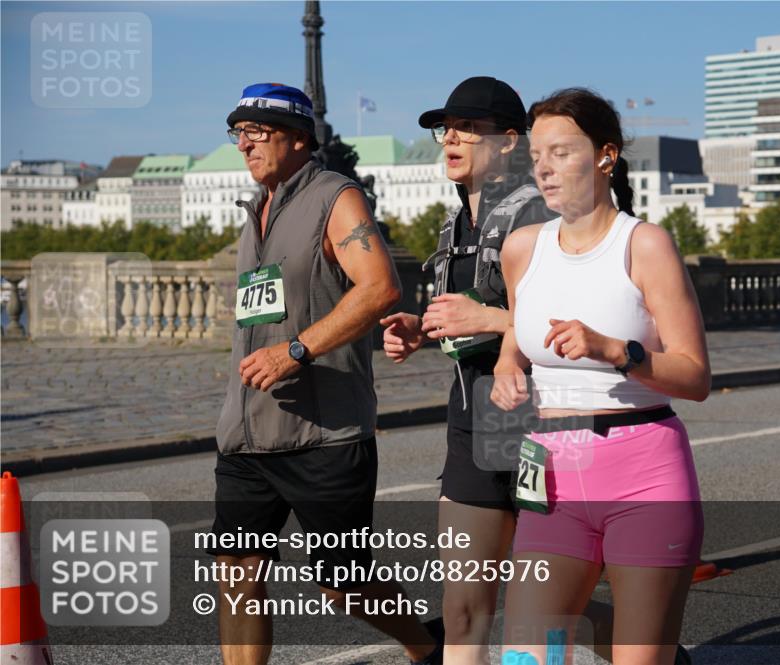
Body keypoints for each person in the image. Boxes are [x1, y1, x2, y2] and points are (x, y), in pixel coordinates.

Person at [211, 82, 442, 665]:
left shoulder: (335, 198)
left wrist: (294, 352)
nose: (244, 145)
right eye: (238, 132)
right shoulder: (256, 212)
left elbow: (379, 287)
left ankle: (427, 649)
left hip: (323, 435)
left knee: (344, 584)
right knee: (236, 573)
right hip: (247, 430)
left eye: (257, 132)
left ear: (298, 138)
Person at [491, 88, 709, 664]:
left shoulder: (644, 245)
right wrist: (507, 363)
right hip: (550, 472)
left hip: (643, 469)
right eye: (537, 154)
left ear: (606, 156)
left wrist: (617, 349)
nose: (543, 167)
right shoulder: (521, 250)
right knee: (527, 657)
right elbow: (522, 325)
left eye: (561, 152)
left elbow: (695, 375)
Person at [380, 76, 554, 663]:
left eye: (468, 127)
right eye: (445, 128)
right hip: (471, 419)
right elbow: (470, 322)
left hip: (541, 422)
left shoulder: (543, 213)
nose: (450, 136)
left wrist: (487, 316)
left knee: (546, 602)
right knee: (462, 609)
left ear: (509, 141)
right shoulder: (454, 224)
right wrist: (421, 328)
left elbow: (571, 321)